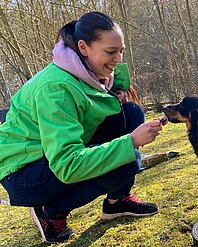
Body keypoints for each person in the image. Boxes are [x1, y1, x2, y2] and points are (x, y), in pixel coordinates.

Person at [0, 11, 163, 244]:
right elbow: (67, 164)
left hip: (51, 153)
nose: (118, 59)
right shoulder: (55, 88)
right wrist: (131, 142)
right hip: (24, 172)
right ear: (83, 47)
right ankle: (51, 212)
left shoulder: (87, 72)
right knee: (124, 163)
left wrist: (116, 89)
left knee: (130, 113)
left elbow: (95, 98)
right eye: (110, 52)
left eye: (121, 50)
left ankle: (117, 202)